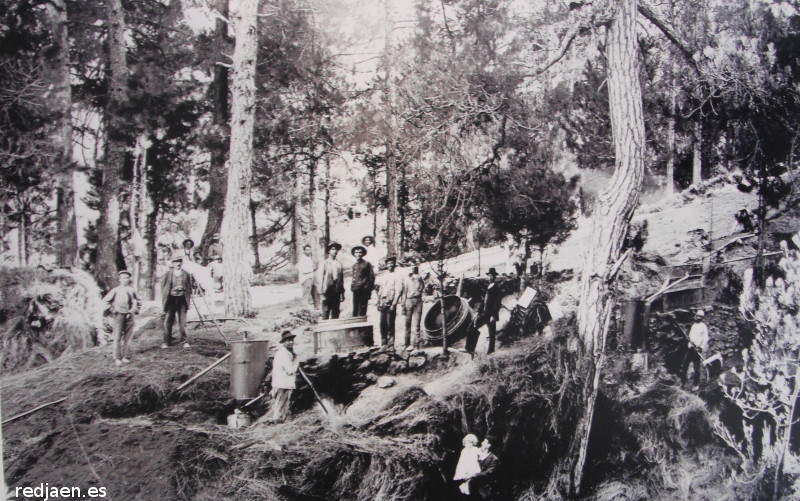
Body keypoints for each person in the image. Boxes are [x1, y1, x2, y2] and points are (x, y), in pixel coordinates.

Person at [102, 270, 141, 366]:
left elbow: (138, 301)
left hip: (130, 315)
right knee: (117, 337)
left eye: (127, 278)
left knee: (128, 337)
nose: (125, 280)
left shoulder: (132, 290)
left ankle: (126, 356)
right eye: (123, 278)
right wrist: (112, 310)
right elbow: (105, 301)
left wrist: (133, 310)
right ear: (119, 279)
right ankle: (117, 357)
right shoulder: (115, 290)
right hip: (119, 315)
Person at [265, 330, 300, 423]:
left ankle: (280, 422)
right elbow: (290, 371)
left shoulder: (288, 353)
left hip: (285, 384)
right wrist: (297, 361)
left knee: (283, 408)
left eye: (292, 340)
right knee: (280, 408)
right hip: (282, 385)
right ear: (283, 342)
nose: (291, 342)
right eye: (288, 340)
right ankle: (276, 424)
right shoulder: (283, 354)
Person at [161, 254, 193, 348]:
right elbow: (163, 287)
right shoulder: (168, 274)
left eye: (179, 262)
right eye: (175, 262)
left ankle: (184, 341)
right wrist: (170, 291)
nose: (178, 263)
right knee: (168, 320)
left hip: (182, 299)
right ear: (172, 264)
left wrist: (183, 288)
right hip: (171, 299)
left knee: (183, 321)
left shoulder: (186, 274)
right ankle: (166, 341)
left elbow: (189, 287)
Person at [468, 268, 502, 354]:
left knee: (492, 333)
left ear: (494, 276)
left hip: (490, 314)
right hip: (484, 313)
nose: (489, 277)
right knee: (472, 326)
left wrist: (493, 316)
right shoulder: (488, 287)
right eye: (488, 275)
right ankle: (470, 348)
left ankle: (491, 351)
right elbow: (484, 301)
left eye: (491, 275)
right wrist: (477, 312)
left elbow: (497, 303)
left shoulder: (496, 288)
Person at [376, 256, 404, 351]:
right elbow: (380, 290)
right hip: (383, 302)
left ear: (394, 265)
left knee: (390, 323)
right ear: (386, 265)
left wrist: (394, 304)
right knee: (382, 323)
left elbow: (398, 291)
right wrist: (379, 302)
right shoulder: (384, 276)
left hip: (390, 302)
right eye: (388, 263)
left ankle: (391, 344)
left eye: (392, 263)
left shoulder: (397, 276)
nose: (390, 265)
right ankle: (384, 343)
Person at [681, 309, 709, 389]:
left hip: (697, 349)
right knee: (685, 364)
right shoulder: (693, 325)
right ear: (695, 316)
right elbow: (691, 337)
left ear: (702, 318)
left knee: (696, 367)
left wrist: (700, 347)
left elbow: (705, 338)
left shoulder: (703, 326)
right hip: (691, 348)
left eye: (700, 316)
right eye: (697, 316)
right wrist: (688, 338)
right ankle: (683, 382)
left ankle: (696, 384)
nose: (698, 317)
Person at [401, 264, 425, 351]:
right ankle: (406, 344)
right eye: (411, 267)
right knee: (407, 323)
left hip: (418, 301)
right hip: (408, 301)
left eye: (415, 266)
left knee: (417, 324)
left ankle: (416, 344)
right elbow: (404, 292)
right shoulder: (406, 279)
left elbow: (422, 289)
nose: (413, 268)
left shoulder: (420, 278)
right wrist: (403, 305)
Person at [468, 436, 499, 500]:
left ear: (488, 446)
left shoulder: (494, 459)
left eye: (484, 442)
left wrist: (474, 475)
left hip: (482, 489)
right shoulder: (476, 454)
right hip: (469, 486)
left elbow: (489, 473)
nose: (481, 443)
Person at [319, 242, 344, 319]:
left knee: (336, 311)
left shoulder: (339, 264)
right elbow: (320, 278)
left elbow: (341, 280)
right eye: (333, 249)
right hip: (327, 290)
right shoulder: (324, 263)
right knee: (326, 311)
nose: (335, 251)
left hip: (336, 291)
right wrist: (321, 292)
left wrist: (342, 293)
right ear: (329, 251)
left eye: (336, 249)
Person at [350, 245, 375, 317]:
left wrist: (367, 289)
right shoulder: (354, 265)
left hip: (363, 290)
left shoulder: (367, 264)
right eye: (356, 252)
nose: (358, 254)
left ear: (363, 254)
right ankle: (355, 326)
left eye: (360, 252)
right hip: (356, 290)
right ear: (354, 254)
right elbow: (354, 278)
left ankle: (362, 327)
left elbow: (371, 277)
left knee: (362, 309)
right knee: (355, 308)